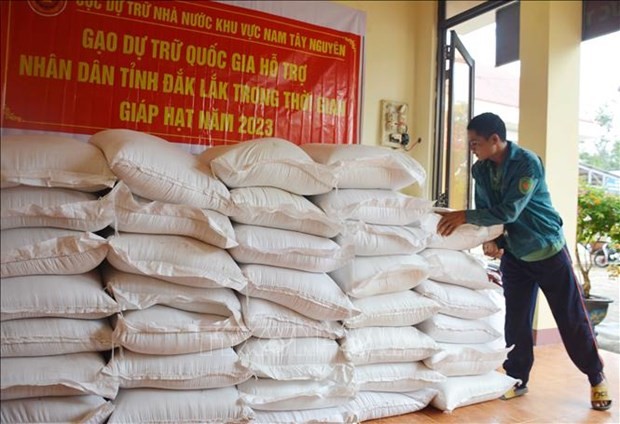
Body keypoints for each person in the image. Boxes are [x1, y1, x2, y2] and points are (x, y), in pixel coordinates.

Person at [436, 112, 612, 411]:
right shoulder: (481, 170)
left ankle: (596, 377)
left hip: (547, 249)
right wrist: (491, 239)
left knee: (571, 319)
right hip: (515, 253)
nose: (472, 148)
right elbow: (488, 211)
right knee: (516, 320)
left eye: (476, 142)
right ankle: (516, 378)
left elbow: (510, 211)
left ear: (495, 139)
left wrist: (463, 216)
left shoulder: (527, 163)